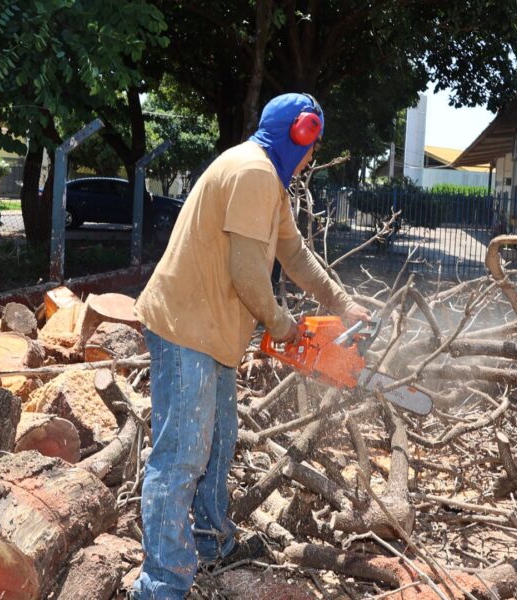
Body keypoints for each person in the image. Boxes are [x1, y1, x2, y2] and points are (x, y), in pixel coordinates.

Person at [131, 93, 371, 600]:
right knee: (181, 456)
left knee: (218, 444)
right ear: (301, 134)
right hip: (186, 329)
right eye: (312, 145)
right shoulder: (253, 173)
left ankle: (213, 542)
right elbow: (246, 273)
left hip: (212, 332)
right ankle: (160, 586)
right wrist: (284, 327)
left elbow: (295, 254)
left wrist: (342, 304)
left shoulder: (270, 183)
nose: (311, 157)